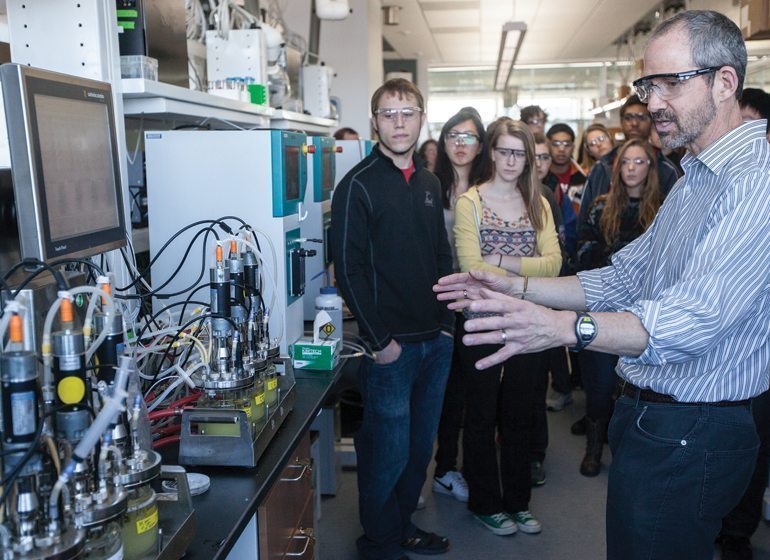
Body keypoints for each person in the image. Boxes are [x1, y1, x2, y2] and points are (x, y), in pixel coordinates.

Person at [434, 10, 770, 560]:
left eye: (670, 83)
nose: (652, 102)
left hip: (694, 428)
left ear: (725, 82)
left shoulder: (753, 183)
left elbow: (691, 320)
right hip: (657, 420)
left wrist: (559, 329)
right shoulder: (695, 178)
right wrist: (515, 287)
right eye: (647, 85)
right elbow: (625, 277)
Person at [331, 78, 455, 560]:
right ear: (374, 121)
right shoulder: (357, 186)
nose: (399, 122)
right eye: (389, 113)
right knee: (386, 453)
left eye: (408, 113)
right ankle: (378, 543)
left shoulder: (428, 182)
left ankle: (402, 527)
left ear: (422, 117)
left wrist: (447, 324)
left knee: (418, 451)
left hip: (435, 343)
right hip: (391, 349)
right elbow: (349, 270)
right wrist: (379, 341)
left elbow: (441, 255)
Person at [453, 117, 561, 536]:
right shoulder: (471, 202)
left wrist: (500, 262)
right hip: (480, 324)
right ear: (492, 153)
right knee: (480, 417)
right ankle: (486, 502)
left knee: (519, 416)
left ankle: (518, 502)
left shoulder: (539, 203)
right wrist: (519, 275)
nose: (513, 160)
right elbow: (469, 267)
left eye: (521, 153)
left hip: (528, 322)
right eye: (506, 151)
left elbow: (554, 263)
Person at [575, 138, 663, 477]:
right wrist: (622, 267)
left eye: (639, 162)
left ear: (650, 169)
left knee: (638, 391)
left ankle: (630, 454)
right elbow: (582, 252)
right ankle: (594, 448)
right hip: (602, 309)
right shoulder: (600, 206)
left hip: (645, 316)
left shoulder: (663, 209)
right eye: (626, 161)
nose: (631, 168)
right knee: (598, 387)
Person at [717, 85, 770, 560]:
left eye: (753, 125)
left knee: (756, 445)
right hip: (729, 349)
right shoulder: (713, 181)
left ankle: (737, 532)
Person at [431, 107, 489, 504]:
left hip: (482, 302)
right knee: (444, 393)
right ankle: (444, 468)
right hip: (439, 303)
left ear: (481, 144)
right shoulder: (429, 187)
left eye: (469, 136)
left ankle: (469, 469)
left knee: (475, 394)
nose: (460, 144)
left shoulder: (490, 188)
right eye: (453, 135)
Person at [579, 95, 679, 225]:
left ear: (652, 122)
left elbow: (673, 221)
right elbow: (583, 221)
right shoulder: (601, 167)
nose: (634, 123)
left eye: (642, 117)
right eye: (628, 118)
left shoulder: (666, 170)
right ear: (621, 122)